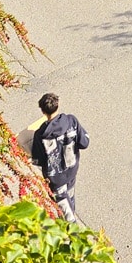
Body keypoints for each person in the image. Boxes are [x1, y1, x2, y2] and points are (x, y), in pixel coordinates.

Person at [30, 92, 89, 222]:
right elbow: (84, 143)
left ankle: (72, 230)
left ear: (42, 111)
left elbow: (38, 160)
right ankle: (70, 220)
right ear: (58, 105)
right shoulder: (71, 121)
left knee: (65, 210)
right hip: (71, 170)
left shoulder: (40, 134)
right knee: (70, 198)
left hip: (55, 178)